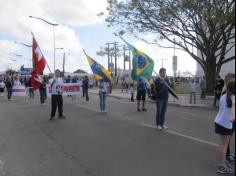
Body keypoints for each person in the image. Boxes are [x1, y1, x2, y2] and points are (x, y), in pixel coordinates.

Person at [215, 78, 235, 174]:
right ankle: (221, 166)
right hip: (225, 124)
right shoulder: (233, 97)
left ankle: (222, 163)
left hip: (219, 122)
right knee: (224, 146)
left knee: (222, 145)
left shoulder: (224, 96)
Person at [221, 73, 235, 163]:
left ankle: (227, 154)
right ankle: (226, 155)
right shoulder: (227, 93)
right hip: (230, 120)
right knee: (227, 140)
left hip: (229, 119)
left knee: (228, 139)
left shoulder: (228, 92)